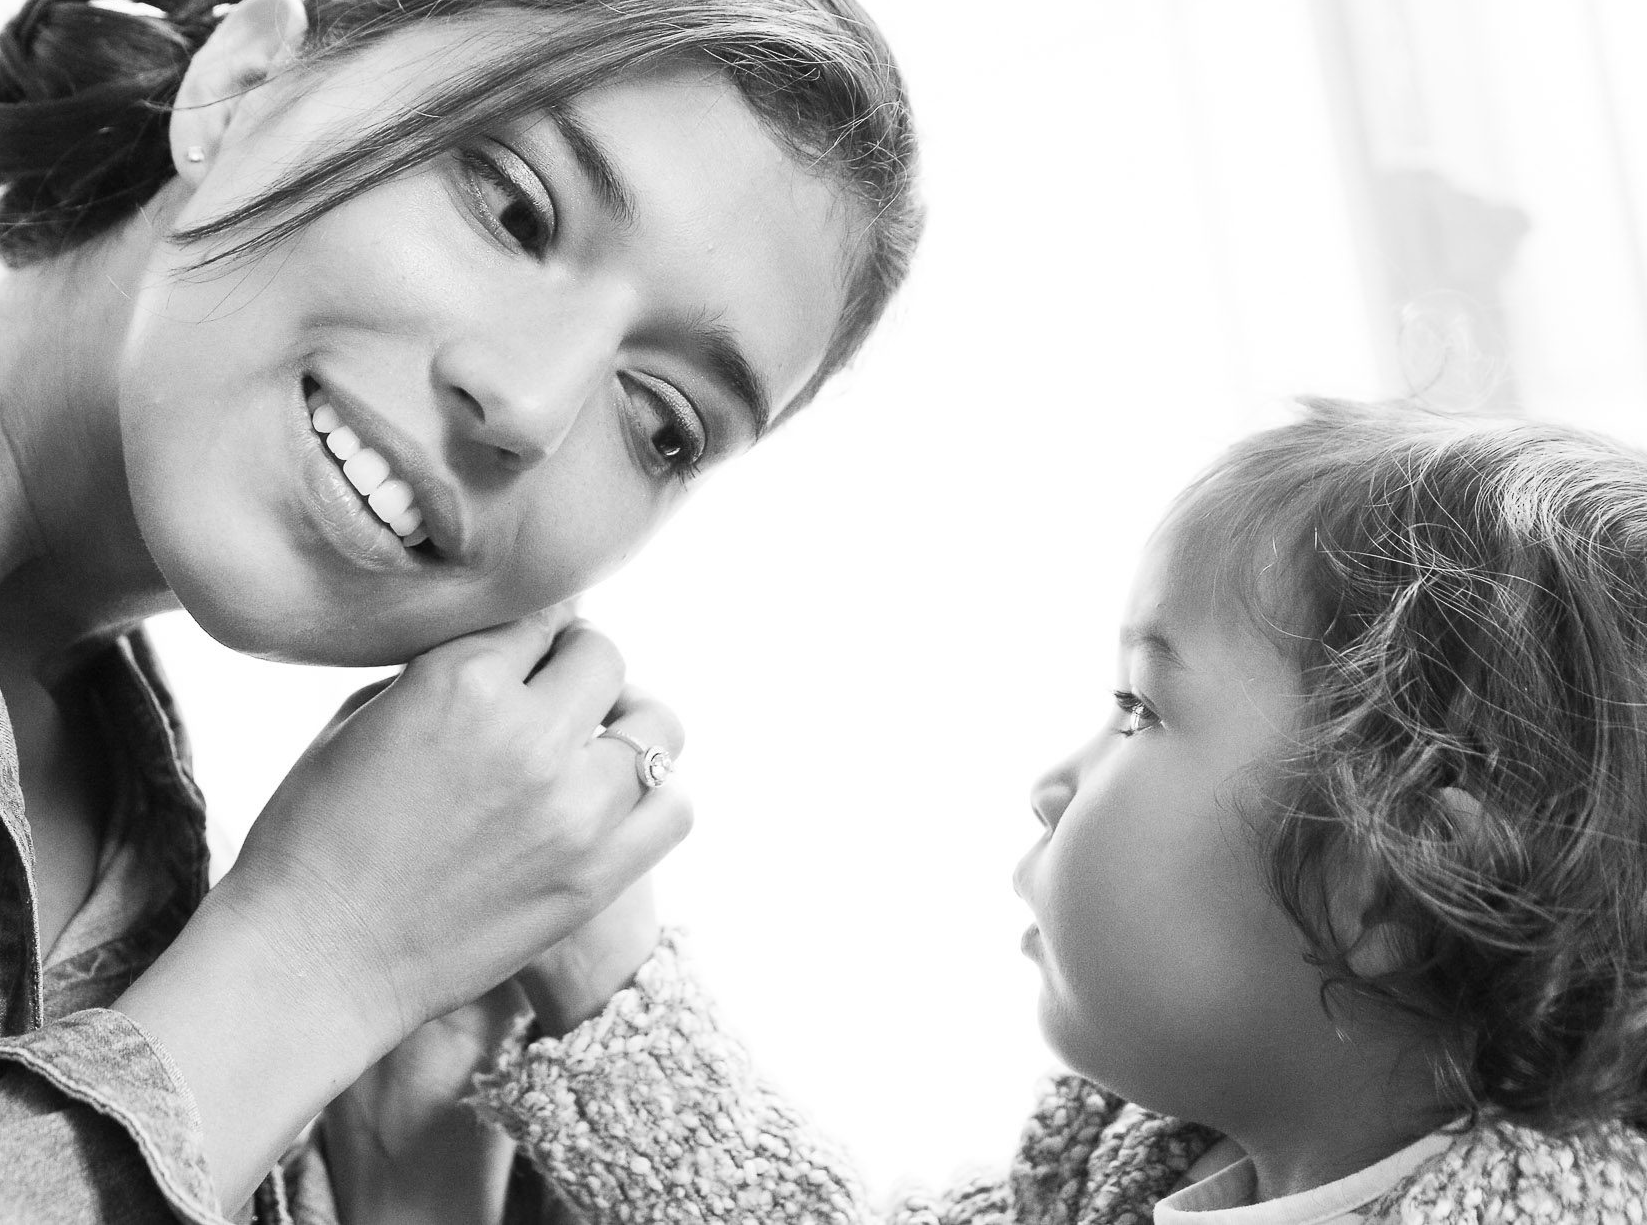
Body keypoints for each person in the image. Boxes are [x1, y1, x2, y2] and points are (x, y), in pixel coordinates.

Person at [0, 0, 920, 1224]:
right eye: (514, 210)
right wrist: (316, 956)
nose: (527, 406)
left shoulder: (251, 978)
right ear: (240, 90)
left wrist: (409, 1182)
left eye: (660, 423)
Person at [467, 400, 1647, 1224]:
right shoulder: (1133, 1162)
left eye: (1138, 710)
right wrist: (604, 977)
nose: (1053, 785)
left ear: (1387, 878)